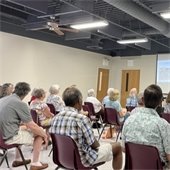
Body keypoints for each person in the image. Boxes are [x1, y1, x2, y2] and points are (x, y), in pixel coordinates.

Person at [49, 87, 122, 170]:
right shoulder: (81, 119)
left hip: (61, 158)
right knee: (117, 146)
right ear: (78, 102)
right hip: (83, 160)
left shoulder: (55, 118)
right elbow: (94, 145)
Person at [0, 82, 48, 170]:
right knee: (39, 132)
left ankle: (18, 159)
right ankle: (36, 163)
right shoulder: (20, 103)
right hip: (8, 138)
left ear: (15, 89)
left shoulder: (3, 100)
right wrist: (45, 135)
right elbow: (32, 126)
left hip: (1, 137)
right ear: (26, 93)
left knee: (24, 129)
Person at [122, 84, 170, 168]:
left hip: (135, 166)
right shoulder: (163, 125)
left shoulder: (129, 120)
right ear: (160, 102)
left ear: (142, 100)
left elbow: (124, 149)